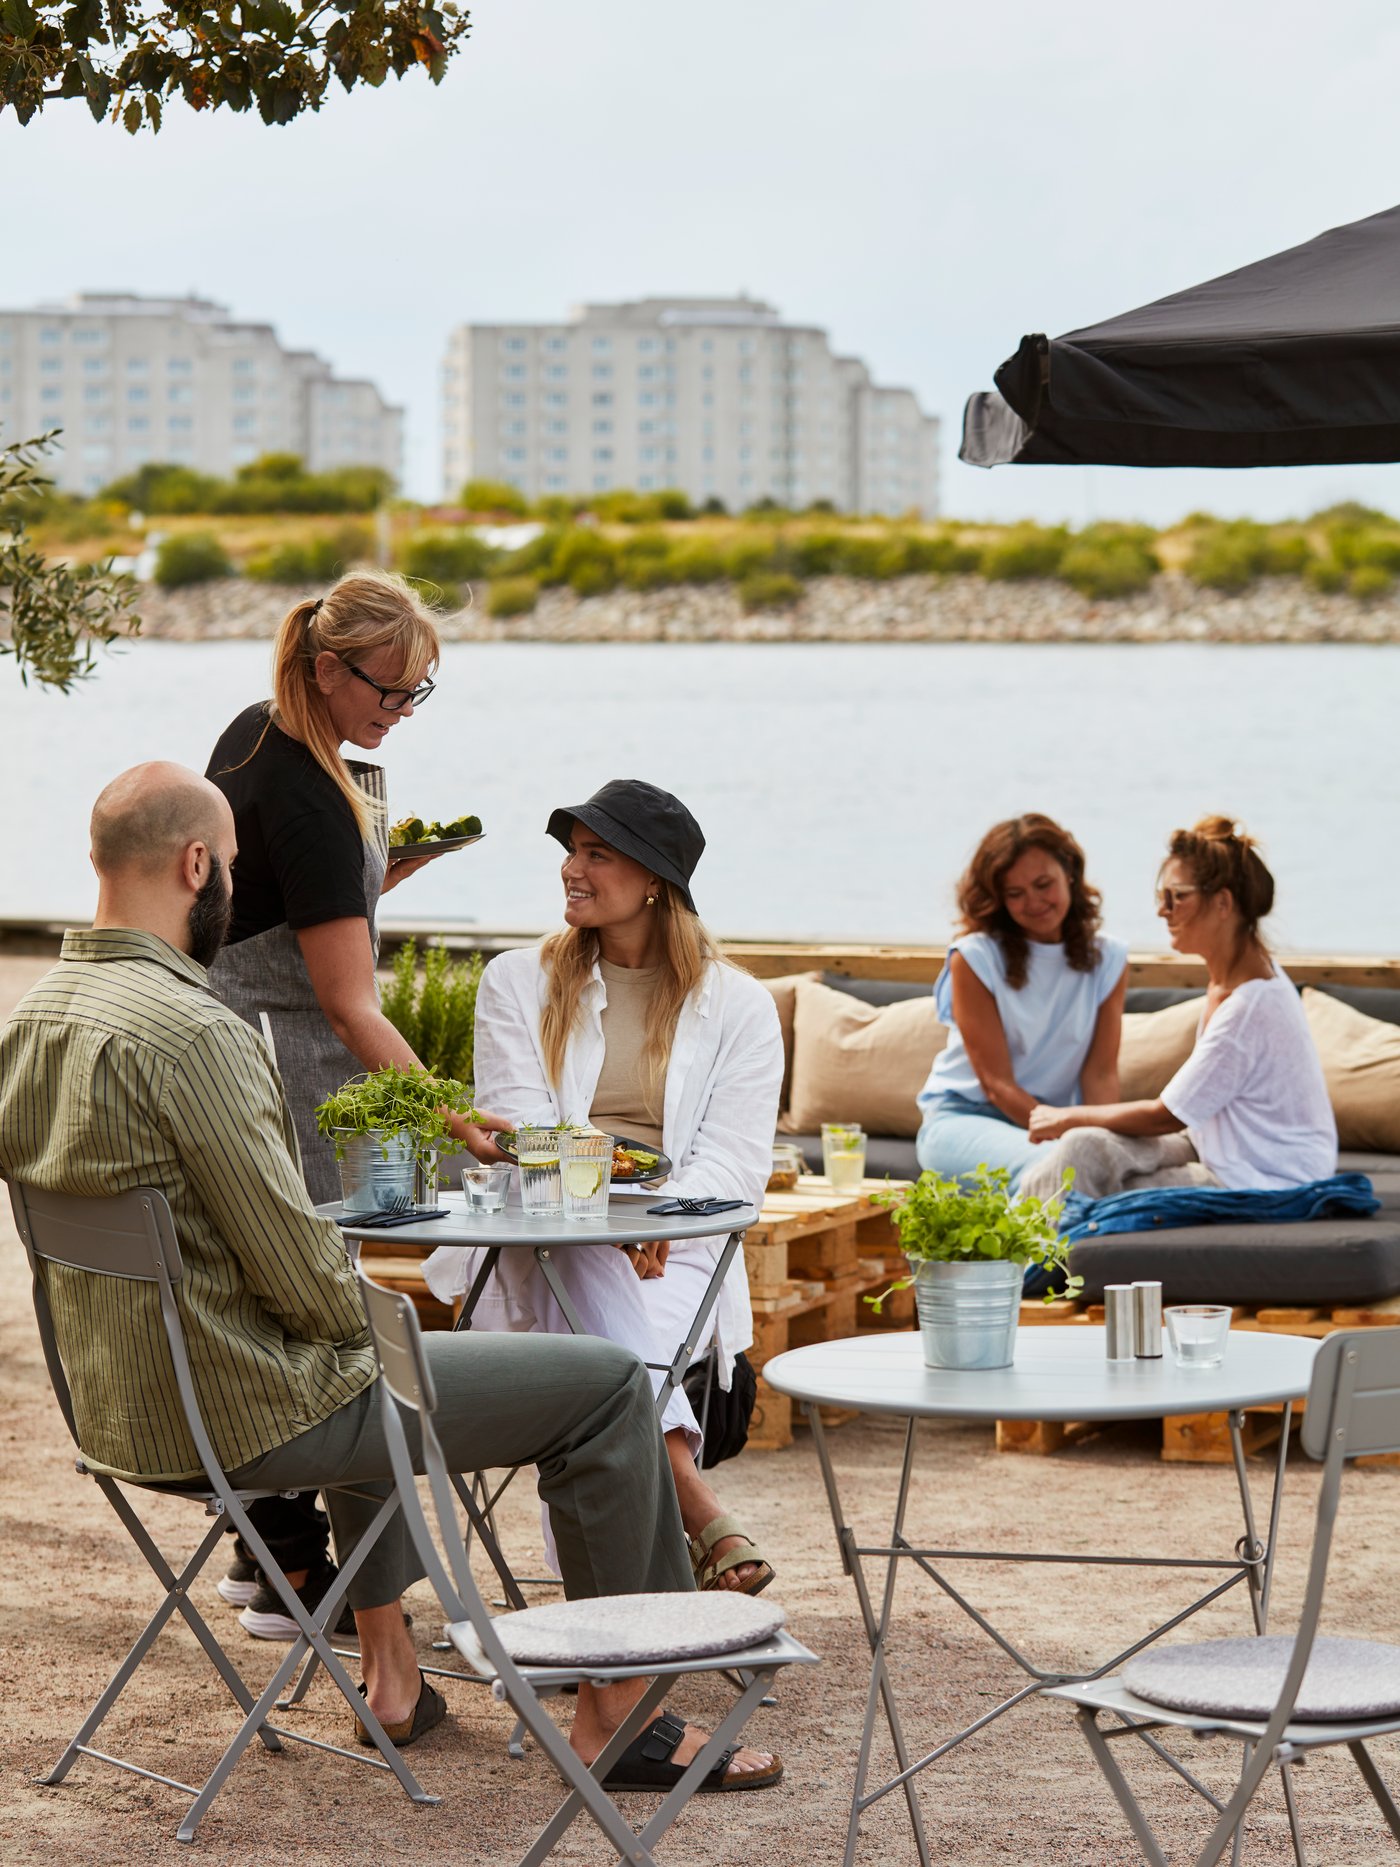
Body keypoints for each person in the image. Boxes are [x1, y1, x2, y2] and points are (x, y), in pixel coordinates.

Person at [0, 762, 779, 1788]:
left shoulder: (32, 1019)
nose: (237, 883)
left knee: (363, 1347)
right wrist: (375, 1312)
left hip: (123, 1414)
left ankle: (393, 1676)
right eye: (234, 865)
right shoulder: (196, 1034)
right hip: (249, 1413)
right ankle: (619, 1717)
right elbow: (308, 1286)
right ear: (198, 865)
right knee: (592, 1382)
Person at [205, 571, 505, 1637]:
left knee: (258, 1300)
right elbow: (346, 1002)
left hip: (229, 1047)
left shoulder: (255, 737)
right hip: (292, 1068)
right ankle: (292, 1572)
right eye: (391, 689)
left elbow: (270, 897)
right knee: (314, 1311)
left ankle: (263, 1552)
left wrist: (380, 872)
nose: (401, 710)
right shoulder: (316, 796)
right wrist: (451, 1116)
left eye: (420, 692)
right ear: (328, 668)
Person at [426, 779, 782, 1596]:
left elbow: (734, 1167)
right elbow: (520, 1131)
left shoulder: (740, 1007)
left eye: (598, 854)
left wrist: (652, 1218)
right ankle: (689, 1502)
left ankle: (607, 1619)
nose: (570, 871)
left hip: (674, 1248)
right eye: (569, 852)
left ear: (655, 878)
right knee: (579, 1263)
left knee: (598, 1365)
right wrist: (608, 1221)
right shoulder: (517, 982)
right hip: (539, 1243)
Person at [1025, 816, 1337, 1196]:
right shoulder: (1234, 980)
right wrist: (1073, 1126)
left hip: (1265, 1175)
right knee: (1084, 1147)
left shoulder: (1249, 1006)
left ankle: (1025, 1252)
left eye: (1177, 897)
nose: (1163, 910)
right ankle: (1011, 1247)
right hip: (1220, 1148)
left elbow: (1165, 1115)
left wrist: (1064, 1117)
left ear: (1223, 903)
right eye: (1162, 895)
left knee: (1095, 1174)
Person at [914, 815, 1128, 1196]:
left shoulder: (1107, 958)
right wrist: (1065, 1137)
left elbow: (1100, 1077)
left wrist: (1100, 1142)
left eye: (1043, 884)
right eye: (1015, 893)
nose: (1033, 902)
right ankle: (1037, 1260)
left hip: (1057, 1126)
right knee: (1060, 1167)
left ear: (1070, 873)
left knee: (1115, 1167)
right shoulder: (975, 958)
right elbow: (997, 1085)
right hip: (962, 1122)